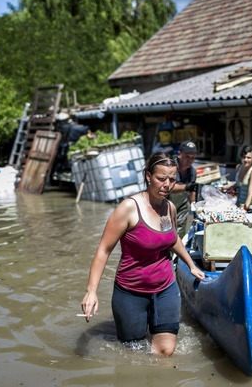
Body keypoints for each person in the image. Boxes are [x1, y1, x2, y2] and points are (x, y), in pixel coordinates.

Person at [81, 151, 205, 356]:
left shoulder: (170, 208)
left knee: (165, 352)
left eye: (172, 179)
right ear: (148, 176)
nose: (167, 184)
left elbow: (172, 238)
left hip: (165, 288)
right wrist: (91, 291)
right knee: (132, 352)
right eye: (161, 178)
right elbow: (104, 250)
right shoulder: (128, 208)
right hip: (131, 292)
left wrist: (191, 265)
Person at [167, 140, 198, 238]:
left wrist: (195, 212)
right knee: (164, 234)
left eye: (192, 157)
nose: (190, 160)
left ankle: (177, 253)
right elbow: (168, 187)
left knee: (179, 235)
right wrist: (186, 187)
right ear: (179, 154)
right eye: (187, 156)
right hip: (165, 206)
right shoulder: (170, 167)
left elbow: (192, 193)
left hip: (181, 207)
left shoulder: (192, 172)